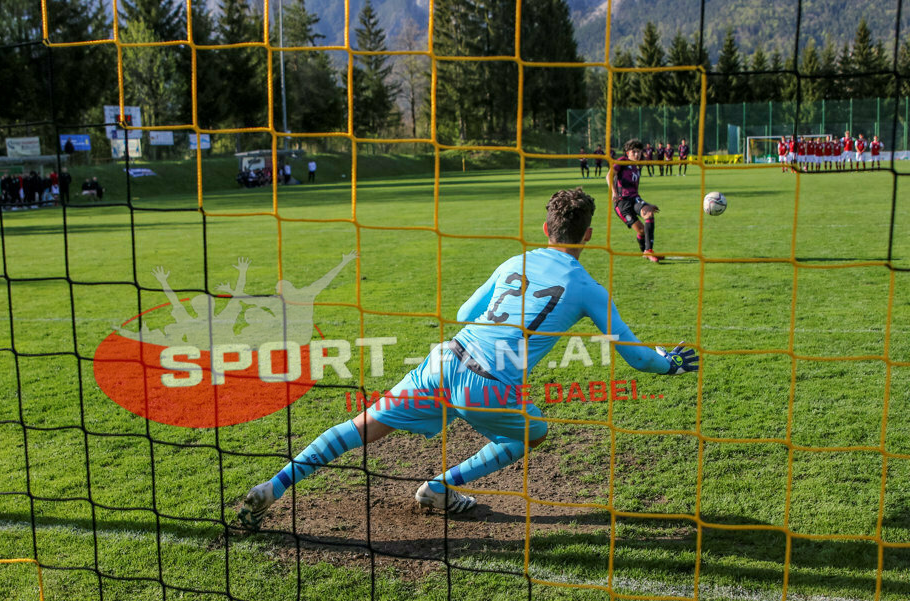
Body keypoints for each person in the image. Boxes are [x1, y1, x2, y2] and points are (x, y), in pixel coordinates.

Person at [237, 188, 699, 529]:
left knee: (362, 426)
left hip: (445, 360)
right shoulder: (588, 288)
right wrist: (670, 363)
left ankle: (272, 487)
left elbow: (463, 313)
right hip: (488, 384)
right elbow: (638, 360)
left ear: (545, 230)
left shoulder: (514, 262)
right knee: (535, 431)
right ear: (589, 236)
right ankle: (440, 486)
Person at [608, 139, 660, 264]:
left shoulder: (637, 167)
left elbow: (634, 191)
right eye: (634, 152)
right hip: (622, 203)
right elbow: (609, 175)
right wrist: (614, 192)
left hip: (635, 199)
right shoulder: (622, 161)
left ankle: (648, 251)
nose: (637, 154)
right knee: (641, 231)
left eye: (639, 152)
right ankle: (645, 251)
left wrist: (647, 204)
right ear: (627, 152)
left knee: (649, 213)